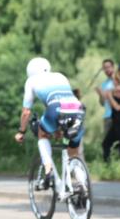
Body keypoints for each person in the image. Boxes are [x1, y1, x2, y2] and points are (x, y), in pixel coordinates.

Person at [13, 57, 85, 196]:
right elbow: (64, 100)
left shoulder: (31, 81)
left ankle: (48, 170)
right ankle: (83, 184)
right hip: (77, 108)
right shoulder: (60, 76)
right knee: (73, 152)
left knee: (42, 133)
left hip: (56, 108)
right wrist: (58, 130)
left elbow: (26, 112)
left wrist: (21, 131)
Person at [94, 59, 116, 137]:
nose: (106, 70)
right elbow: (103, 103)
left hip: (117, 115)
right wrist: (100, 95)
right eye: (104, 68)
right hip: (107, 117)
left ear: (113, 67)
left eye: (108, 67)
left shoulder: (118, 80)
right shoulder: (104, 84)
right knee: (107, 143)